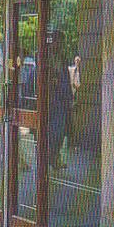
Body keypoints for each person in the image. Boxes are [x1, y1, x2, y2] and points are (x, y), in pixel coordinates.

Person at [48, 32, 73, 170]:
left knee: (61, 131)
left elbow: (66, 79)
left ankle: (55, 157)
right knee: (53, 131)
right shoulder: (45, 57)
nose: (61, 45)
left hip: (61, 99)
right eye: (59, 42)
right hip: (51, 100)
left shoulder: (62, 58)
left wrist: (69, 97)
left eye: (62, 42)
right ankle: (51, 158)